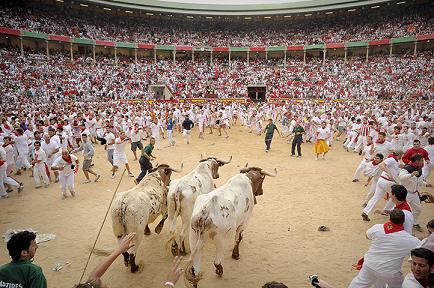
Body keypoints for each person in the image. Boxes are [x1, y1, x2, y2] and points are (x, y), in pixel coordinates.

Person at [348, 209, 421, 288]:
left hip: (369, 263)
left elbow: (367, 235)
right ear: (403, 222)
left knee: (359, 282)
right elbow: (421, 248)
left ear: (390, 219)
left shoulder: (378, 227)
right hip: (389, 272)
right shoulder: (409, 239)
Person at [362, 151, 403, 221]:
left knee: (375, 197)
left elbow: (399, 165)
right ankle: (386, 210)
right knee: (395, 196)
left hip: (381, 181)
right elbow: (381, 165)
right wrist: (389, 173)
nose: (401, 156)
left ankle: (365, 211)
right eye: (401, 155)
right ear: (399, 155)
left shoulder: (396, 161)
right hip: (388, 182)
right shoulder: (392, 159)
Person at [398, 154, 431, 232]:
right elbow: (401, 177)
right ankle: (400, 225)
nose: (423, 162)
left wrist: (426, 184)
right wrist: (411, 174)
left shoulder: (419, 169)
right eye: (421, 160)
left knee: (418, 209)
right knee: (404, 211)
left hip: (415, 193)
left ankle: (414, 223)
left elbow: (419, 181)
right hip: (406, 194)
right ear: (417, 161)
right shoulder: (407, 168)